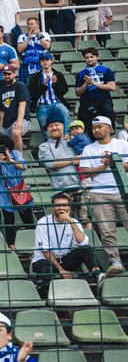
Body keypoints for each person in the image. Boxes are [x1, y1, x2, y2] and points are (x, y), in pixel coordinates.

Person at [79, 115, 128, 275]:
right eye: (93, 128)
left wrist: (114, 163)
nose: (96, 130)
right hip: (99, 192)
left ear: (109, 128)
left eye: (99, 127)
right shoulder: (89, 148)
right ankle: (115, 261)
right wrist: (105, 166)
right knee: (106, 230)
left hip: (123, 190)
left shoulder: (122, 144)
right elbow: (85, 172)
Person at [30, 192, 98, 295]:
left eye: (64, 205)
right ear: (52, 208)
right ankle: (44, 295)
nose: (61, 208)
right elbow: (45, 251)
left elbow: (83, 242)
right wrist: (61, 270)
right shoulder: (43, 222)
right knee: (43, 265)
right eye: (58, 205)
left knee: (86, 248)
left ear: (69, 208)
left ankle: (97, 274)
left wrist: (70, 221)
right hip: (46, 261)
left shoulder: (74, 222)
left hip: (64, 259)